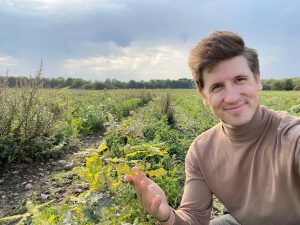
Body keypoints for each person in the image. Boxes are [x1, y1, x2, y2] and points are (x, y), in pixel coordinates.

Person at [125, 31, 300, 225]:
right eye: (217, 86)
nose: (232, 97)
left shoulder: (292, 137)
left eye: (239, 80)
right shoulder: (202, 150)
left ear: (257, 79)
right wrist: (167, 216)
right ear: (203, 95)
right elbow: (193, 217)